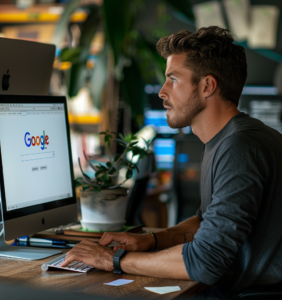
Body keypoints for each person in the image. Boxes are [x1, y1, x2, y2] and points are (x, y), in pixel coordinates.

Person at [61, 26, 282, 299]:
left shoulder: (240, 147)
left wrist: (112, 260)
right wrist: (151, 240)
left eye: (173, 79)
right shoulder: (228, 139)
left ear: (207, 86)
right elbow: (205, 222)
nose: (162, 92)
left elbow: (205, 263)